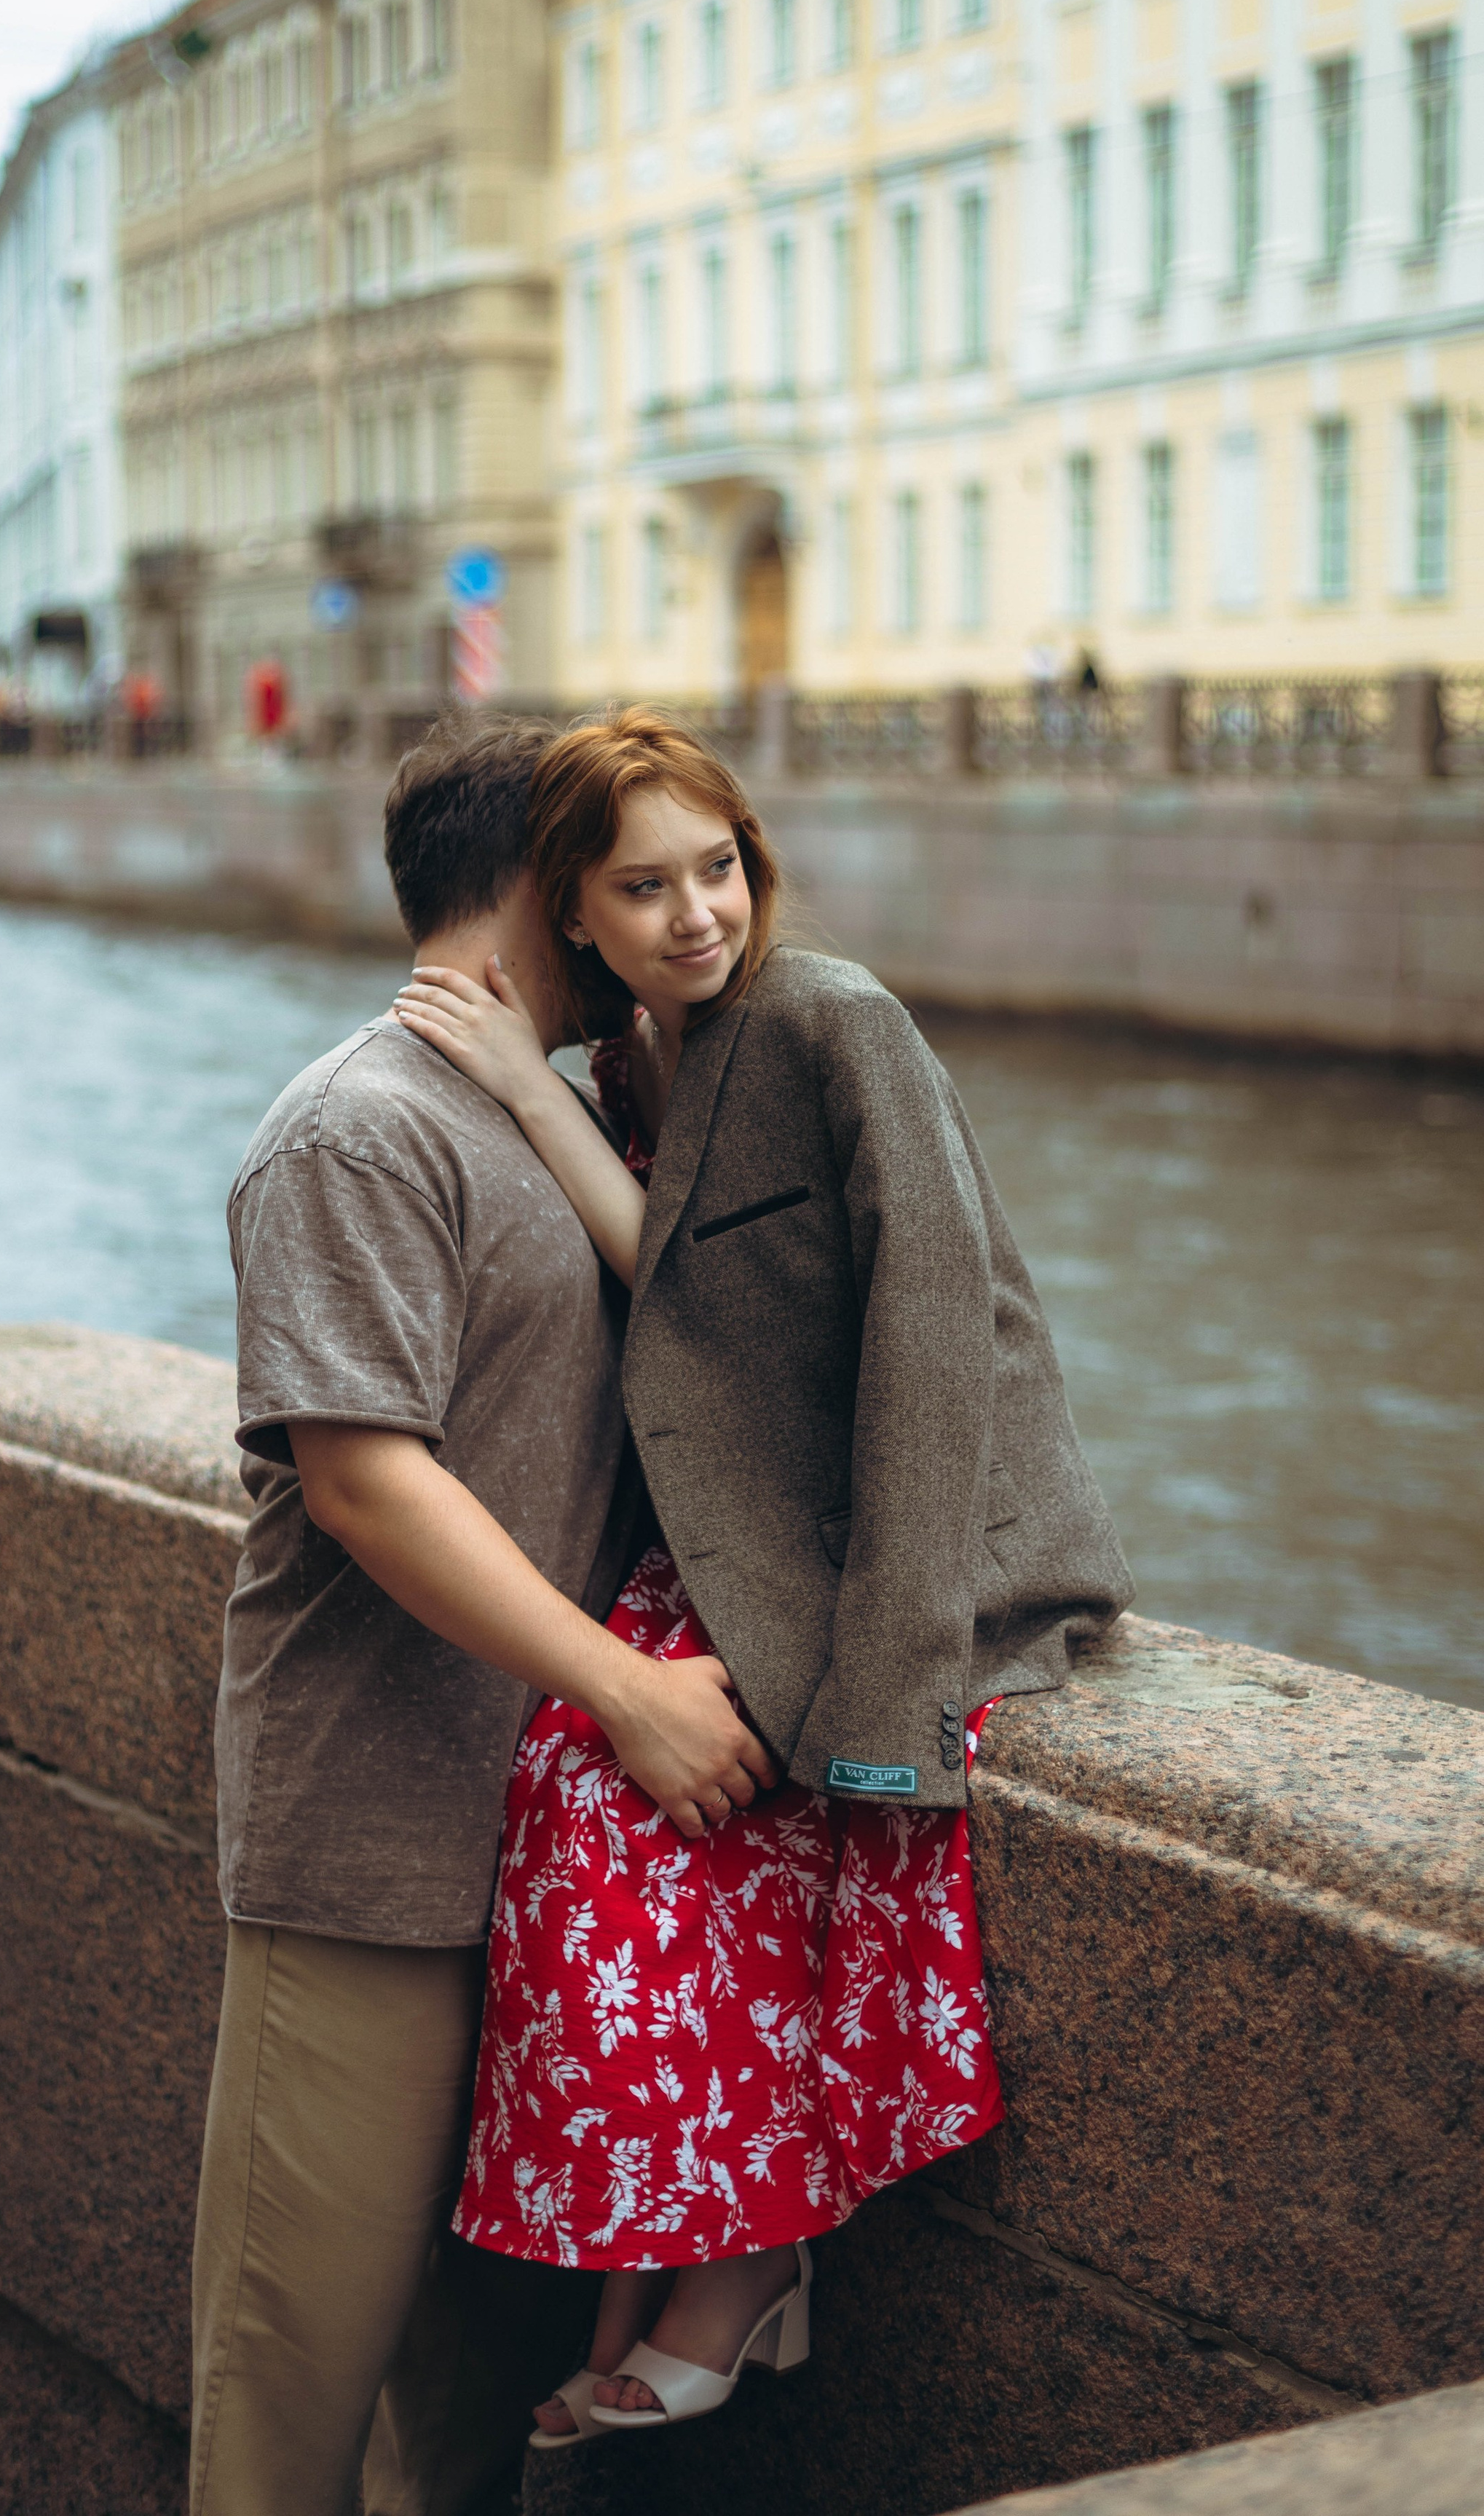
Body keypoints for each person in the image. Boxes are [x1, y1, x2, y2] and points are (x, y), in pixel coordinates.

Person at [392, 705, 1132, 2443]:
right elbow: (694, 1292)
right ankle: (673, 2257)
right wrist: (521, 1086)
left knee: (727, 1836)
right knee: (573, 1806)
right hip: (747, 1543)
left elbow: (938, 1332)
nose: (696, 915)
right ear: (571, 913)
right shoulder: (636, 1065)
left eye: (716, 868)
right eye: (641, 888)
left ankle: (737, 2273)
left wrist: (887, 1695)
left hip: (908, 1560)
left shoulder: (829, 1017)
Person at [189, 713, 777, 2516]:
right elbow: (366, 1481)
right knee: (293, 2394)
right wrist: (631, 1691)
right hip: (372, 1849)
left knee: (462, 2423)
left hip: (551, 1871)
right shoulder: (359, 1128)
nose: (659, 909)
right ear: (545, 881)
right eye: (617, 869)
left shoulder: (581, 1100)